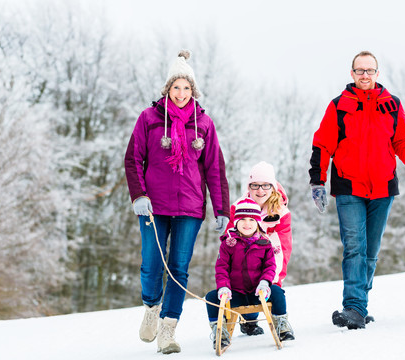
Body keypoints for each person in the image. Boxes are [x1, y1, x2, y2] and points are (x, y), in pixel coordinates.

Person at [124, 50, 230, 354]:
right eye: (176, 88)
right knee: (151, 263)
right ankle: (151, 307)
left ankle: (168, 329)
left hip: (191, 207)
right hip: (153, 206)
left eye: (186, 88)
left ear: (193, 90)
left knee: (179, 267)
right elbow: (133, 159)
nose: (181, 94)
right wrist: (139, 195)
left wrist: (221, 209)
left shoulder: (204, 124)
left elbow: (214, 168)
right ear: (167, 89)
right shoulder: (149, 118)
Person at [308, 51, 405, 330]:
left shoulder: (392, 105)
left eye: (370, 70)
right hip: (349, 187)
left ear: (377, 74)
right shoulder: (338, 106)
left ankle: (360, 304)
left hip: (382, 187)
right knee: (354, 247)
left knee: (371, 250)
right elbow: (322, 144)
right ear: (352, 74)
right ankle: (354, 307)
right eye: (359, 70)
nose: (364, 75)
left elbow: (401, 141)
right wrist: (317, 181)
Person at [205, 197, 295, 350]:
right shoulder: (228, 243)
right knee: (211, 298)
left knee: (278, 292)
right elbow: (222, 268)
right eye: (243, 219)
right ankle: (220, 331)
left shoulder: (265, 244)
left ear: (258, 223)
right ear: (236, 222)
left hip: (258, 292)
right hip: (236, 294)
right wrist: (224, 287)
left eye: (252, 220)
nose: (247, 224)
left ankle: (281, 324)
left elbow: (270, 267)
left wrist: (265, 283)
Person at [224, 161, 293, 336]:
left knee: (273, 291)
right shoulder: (239, 207)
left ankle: (281, 323)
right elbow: (229, 239)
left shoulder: (281, 213)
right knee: (245, 290)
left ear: (273, 186)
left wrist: (274, 280)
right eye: (255, 185)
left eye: (265, 185)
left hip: (269, 258)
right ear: (249, 186)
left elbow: (283, 249)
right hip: (243, 260)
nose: (260, 191)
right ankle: (249, 321)